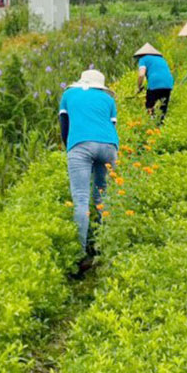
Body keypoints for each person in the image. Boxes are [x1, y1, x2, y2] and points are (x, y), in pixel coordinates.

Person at [59, 69, 119, 254]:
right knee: (103, 194)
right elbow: (112, 126)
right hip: (109, 146)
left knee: (81, 198)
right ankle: (105, 244)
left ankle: (80, 251)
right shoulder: (108, 100)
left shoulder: (68, 95)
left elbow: (64, 124)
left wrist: (69, 146)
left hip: (80, 145)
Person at [134, 43, 174, 119]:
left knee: (150, 106)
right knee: (163, 107)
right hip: (168, 83)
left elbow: (141, 75)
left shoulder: (143, 59)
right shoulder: (161, 59)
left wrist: (139, 87)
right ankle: (161, 126)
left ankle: (151, 125)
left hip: (155, 83)